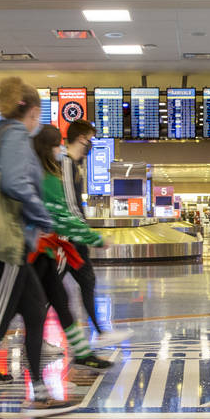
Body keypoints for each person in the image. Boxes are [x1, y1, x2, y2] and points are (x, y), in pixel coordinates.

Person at [0, 76, 78, 419]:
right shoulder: (13, 136)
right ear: (32, 110)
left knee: (35, 309)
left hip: (8, 243)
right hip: (6, 244)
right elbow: (14, 183)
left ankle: (39, 388)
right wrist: (41, 216)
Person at [31, 125, 116, 372]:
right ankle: (38, 387)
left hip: (46, 249)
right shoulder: (50, 177)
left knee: (60, 300)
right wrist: (94, 238)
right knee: (22, 309)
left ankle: (81, 353)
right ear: (50, 148)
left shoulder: (44, 173)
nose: (62, 149)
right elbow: (65, 214)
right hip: (35, 251)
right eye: (58, 145)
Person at [60, 119, 131, 347]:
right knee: (51, 288)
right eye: (90, 138)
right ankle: (99, 331)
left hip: (71, 236)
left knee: (86, 281)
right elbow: (71, 206)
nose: (91, 144)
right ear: (81, 138)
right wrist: (90, 236)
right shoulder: (66, 163)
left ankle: (100, 330)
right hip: (67, 238)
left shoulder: (73, 164)